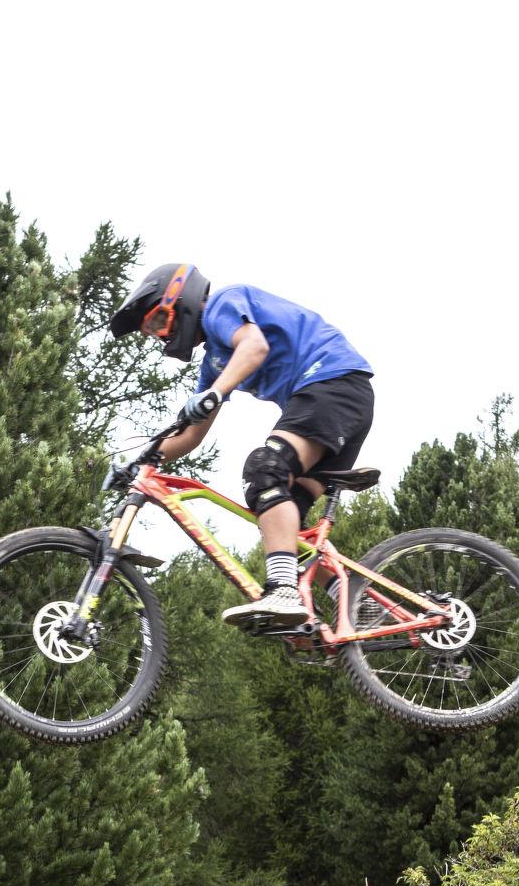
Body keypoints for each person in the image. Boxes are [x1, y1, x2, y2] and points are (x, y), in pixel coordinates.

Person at [108, 263, 374, 627]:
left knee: (265, 471)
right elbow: (191, 435)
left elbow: (254, 346)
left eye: (158, 321)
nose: (160, 335)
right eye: (152, 331)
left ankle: (283, 591)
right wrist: (141, 462)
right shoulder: (214, 363)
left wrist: (215, 393)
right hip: (341, 400)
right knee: (280, 522)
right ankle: (360, 601)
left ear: (180, 299)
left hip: (332, 384)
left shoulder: (222, 304)